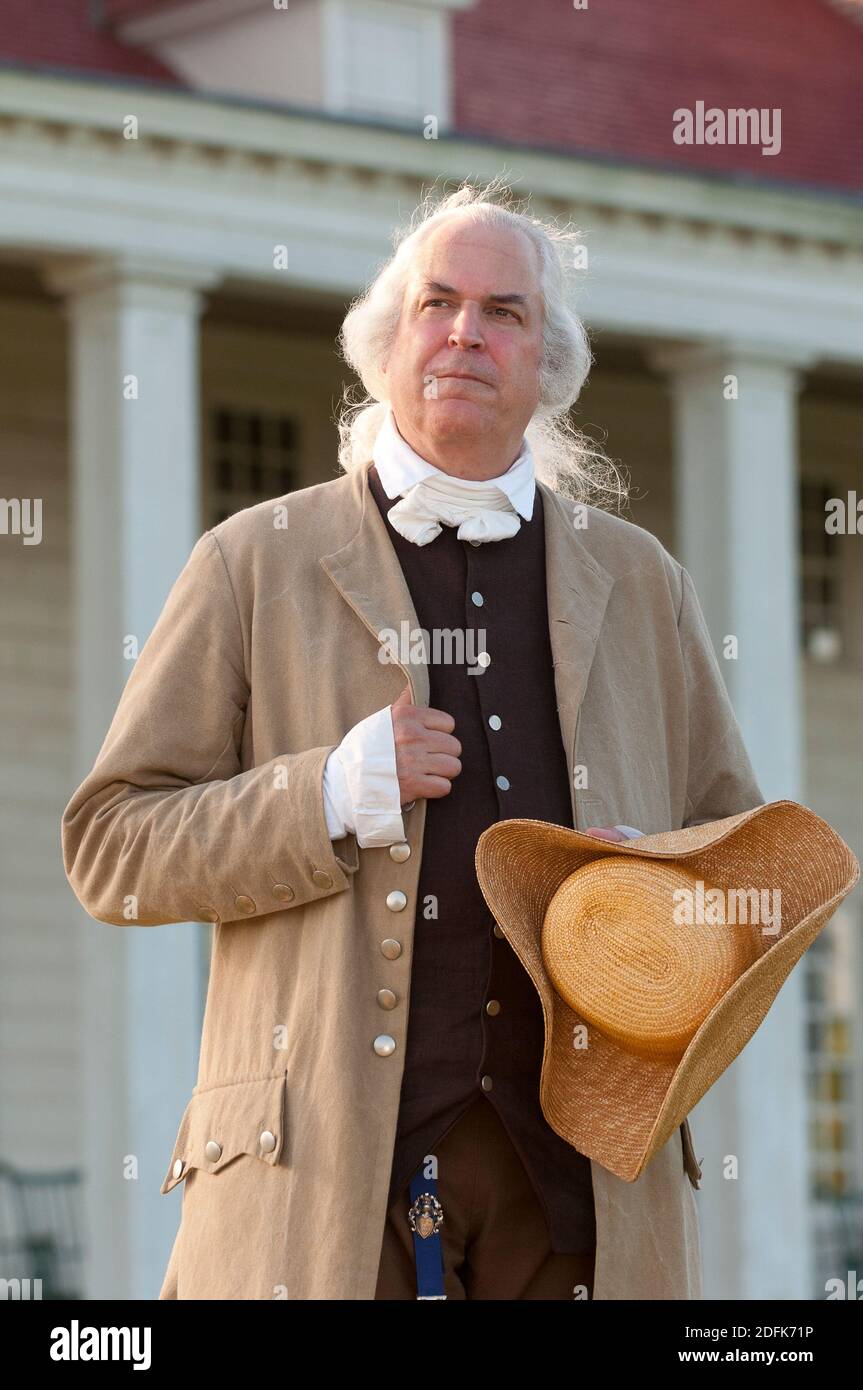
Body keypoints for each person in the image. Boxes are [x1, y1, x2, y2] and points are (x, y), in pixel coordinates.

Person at [61, 179, 763, 1301]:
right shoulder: (253, 560)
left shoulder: (641, 582)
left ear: (547, 367)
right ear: (386, 340)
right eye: (438, 302)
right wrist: (325, 794)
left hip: (581, 1192)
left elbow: (742, 876)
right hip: (321, 1189)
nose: (465, 334)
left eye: (504, 313)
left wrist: (660, 887)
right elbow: (112, 845)